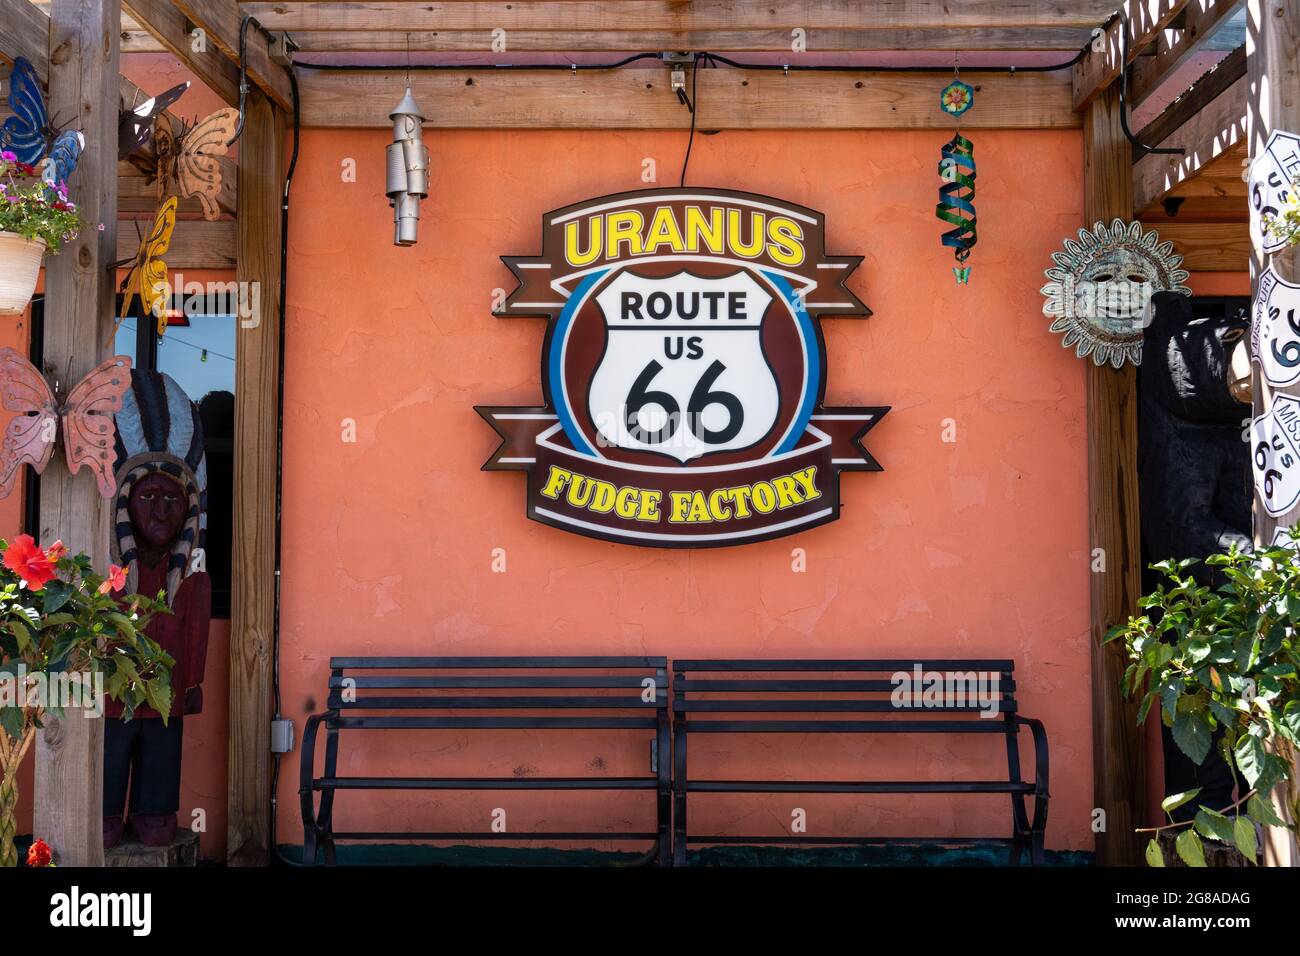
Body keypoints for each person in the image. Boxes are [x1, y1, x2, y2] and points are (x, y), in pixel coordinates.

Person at [103, 370, 211, 849]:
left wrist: (190, 683)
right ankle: (104, 814)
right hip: (109, 697)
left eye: (173, 499)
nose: (162, 511)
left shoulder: (189, 576)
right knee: (109, 755)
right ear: (126, 503)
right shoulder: (106, 577)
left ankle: (154, 815)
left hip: (166, 697)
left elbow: (194, 631)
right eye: (149, 496)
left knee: (161, 764)